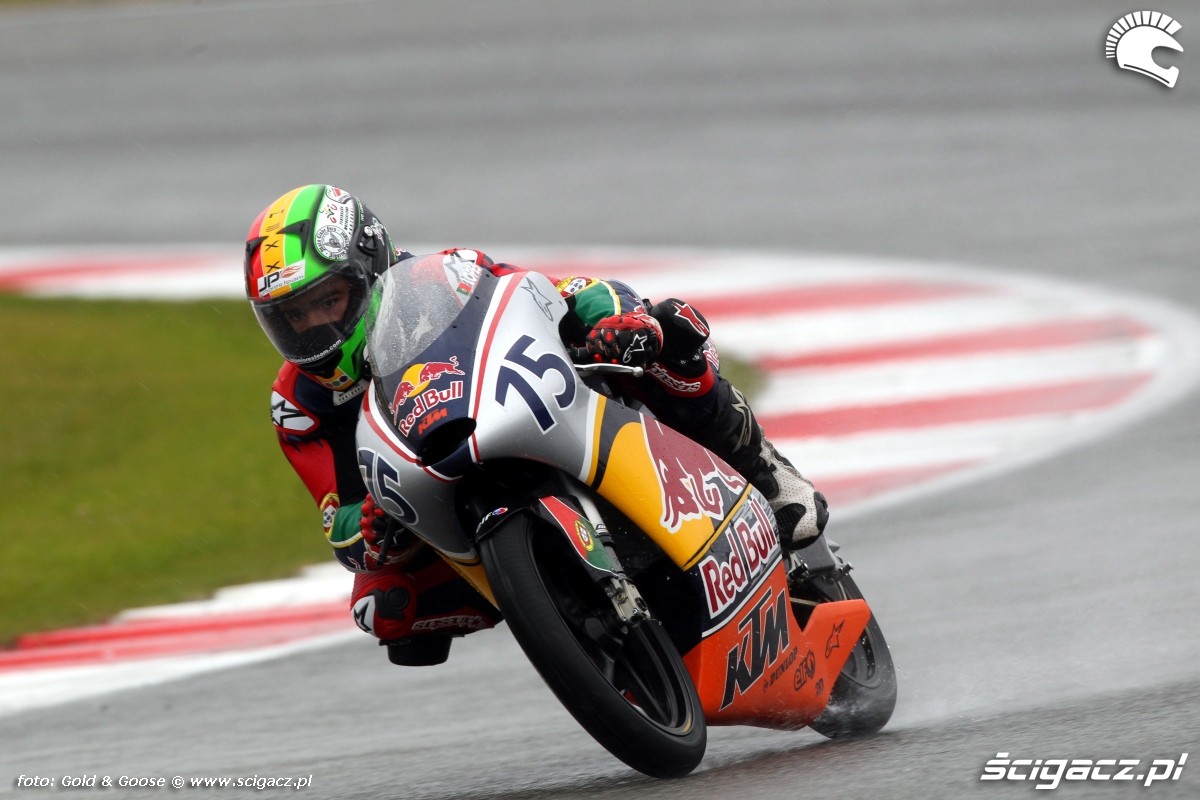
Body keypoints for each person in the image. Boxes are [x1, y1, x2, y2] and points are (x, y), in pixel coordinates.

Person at [244, 184, 829, 666]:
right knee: (383, 608)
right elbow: (340, 522)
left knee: (664, 332)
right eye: (293, 317)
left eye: (329, 301)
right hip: (440, 497)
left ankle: (763, 469)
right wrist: (372, 528)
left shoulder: (446, 277)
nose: (315, 327)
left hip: (539, 405)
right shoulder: (299, 405)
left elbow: (557, 294)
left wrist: (614, 321)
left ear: (369, 266)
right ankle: (565, 619)